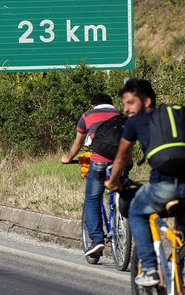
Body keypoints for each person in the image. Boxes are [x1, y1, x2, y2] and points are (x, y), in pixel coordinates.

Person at [105, 78, 185, 287]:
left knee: (136, 211)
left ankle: (150, 268)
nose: (126, 109)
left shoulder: (134, 122)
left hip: (163, 187)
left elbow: (122, 158)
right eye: (124, 104)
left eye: (130, 102)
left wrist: (113, 182)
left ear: (147, 100)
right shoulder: (181, 117)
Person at [60, 93, 123, 256]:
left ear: (93, 105)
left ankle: (96, 240)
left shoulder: (88, 115)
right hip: (123, 160)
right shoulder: (120, 114)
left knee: (92, 198)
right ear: (111, 104)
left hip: (100, 160)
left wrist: (68, 158)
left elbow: (78, 143)